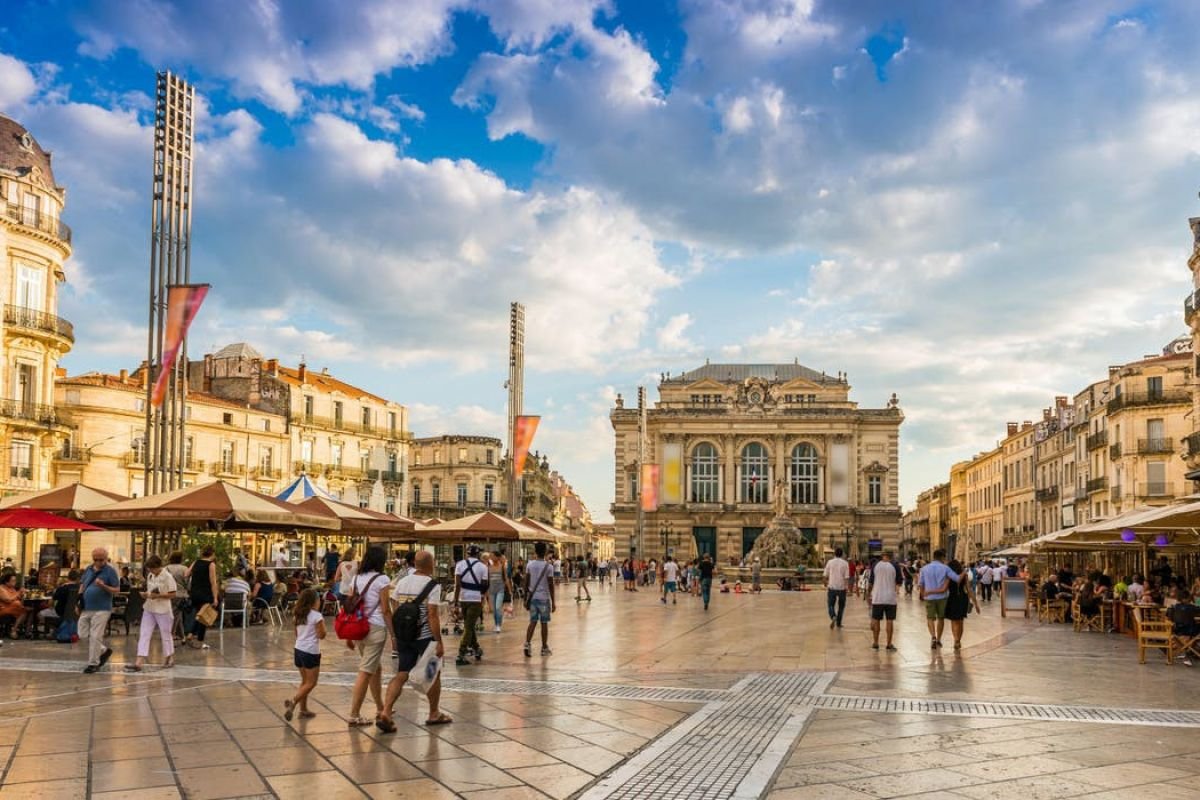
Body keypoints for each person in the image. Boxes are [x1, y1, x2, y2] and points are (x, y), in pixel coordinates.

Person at [377, 550, 451, 731]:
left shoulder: (402, 582)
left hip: (404, 636)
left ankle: (386, 711)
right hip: (425, 636)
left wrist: (396, 635)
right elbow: (433, 615)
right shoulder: (432, 585)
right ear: (430, 564)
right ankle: (434, 713)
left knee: (402, 673)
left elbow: (395, 609)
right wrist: (439, 641)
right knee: (433, 674)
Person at [346, 545, 391, 728]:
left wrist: (349, 634)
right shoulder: (382, 579)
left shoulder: (356, 579)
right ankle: (354, 714)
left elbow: (349, 607)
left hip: (358, 628)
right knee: (365, 671)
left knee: (375, 668)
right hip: (375, 627)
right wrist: (394, 635)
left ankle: (380, 706)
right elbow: (386, 609)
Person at [125, 555, 177, 671]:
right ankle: (139, 661)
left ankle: (169, 657)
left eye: (152, 568)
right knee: (144, 633)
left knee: (165, 634)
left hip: (163, 609)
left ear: (159, 567)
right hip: (149, 607)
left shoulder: (168, 577)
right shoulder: (150, 576)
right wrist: (146, 595)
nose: (151, 571)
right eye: (149, 569)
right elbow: (150, 591)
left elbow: (173, 594)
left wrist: (158, 596)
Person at [286, 588, 325, 721]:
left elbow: (296, 634)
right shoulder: (316, 616)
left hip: (298, 650)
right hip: (311, 652)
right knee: (311, 683)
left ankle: (303, 710)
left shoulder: (297, 615)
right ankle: (294, 701)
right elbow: (321, 635)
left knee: (304, 681)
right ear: (314, 601)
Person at [78, 548, 120, 672]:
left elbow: (117, 590)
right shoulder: (88, 569)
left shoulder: (110, 571)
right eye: (95, 559)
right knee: (82, 633)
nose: (98, 562)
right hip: (87, 607)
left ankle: (93, 663)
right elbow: (82, 585)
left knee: (96, 636)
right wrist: (78, 601)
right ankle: (103, 650)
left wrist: (103, 586)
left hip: (102, 608)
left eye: (101, 560)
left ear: (106, 559)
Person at [453, 545, 489, 666]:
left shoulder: (460, 564)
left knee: (469, 625)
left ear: (467, 554)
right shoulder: (483, 567)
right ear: (478, 554)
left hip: (463, 598)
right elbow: (484, 585)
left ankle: (476, 648)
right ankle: (461, 653)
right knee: (469, 627)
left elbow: (457, 585)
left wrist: (455, 601)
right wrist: (482, 596)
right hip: (476, 599)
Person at [918, 549, 959, 650]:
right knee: (941, 618)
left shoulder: (924, 569)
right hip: (942, 597)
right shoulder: (945, 568)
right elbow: (957, 578)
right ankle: (939, 639)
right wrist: (964, 573)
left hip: (929, 597)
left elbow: (921, 584)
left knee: (930, 618)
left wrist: (923, 594)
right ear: (942, 557)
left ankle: (933, 637)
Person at [523, 541, 556, 657]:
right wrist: (553, 601)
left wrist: (524, 598)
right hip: (544, 599)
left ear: (535, 552)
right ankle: (544, 647)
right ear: (545, 552)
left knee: (532, 621)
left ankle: (527, 643)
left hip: (533, 598)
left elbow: (526, 582)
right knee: (544, 623)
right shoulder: (549, 567)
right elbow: (551, 585)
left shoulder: (529, 565)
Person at [184, 546, 218, 650]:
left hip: (195, 593)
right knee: (204, 618)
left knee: (200, 615)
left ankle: (190, 635)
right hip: (205, 593)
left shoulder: (196, 562)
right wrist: (215, 597)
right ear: (212, 554)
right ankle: (199, 641)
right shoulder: (211, 564)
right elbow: (213, 582)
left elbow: (186, 574)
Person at [945, 559, 981, 651]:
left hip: (951, 599)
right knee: (960, 621)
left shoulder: (948, 575)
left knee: (953, 621)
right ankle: (958, 640)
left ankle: (955, 639)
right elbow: (969, 590)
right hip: (962, 598)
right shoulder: (964, 575)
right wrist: (976, 603)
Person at [869, 552, 900, 651]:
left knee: (876, 620)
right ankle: (889, 643)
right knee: (890, 621)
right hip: (890, 598)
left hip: (878, 597)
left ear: (882, 557)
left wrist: (868, 594)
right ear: (891, 558)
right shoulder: (895, 566)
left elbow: (871, 582)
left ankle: (875, 642)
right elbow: (898, 582)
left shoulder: (875, 565)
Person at [823, 548, 850, 629]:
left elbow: (825, 575)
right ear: (842, 554)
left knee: (830, 605)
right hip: (842, 588)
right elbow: (846, 577)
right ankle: (838, 623)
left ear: (834, 554)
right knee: (841, 607)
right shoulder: (845, 563)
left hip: (832, 587)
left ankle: (833, 616)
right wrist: (847, 588)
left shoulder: (830, 562)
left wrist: (825, 583)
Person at [488, 550, 511, 631]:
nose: (491, 557)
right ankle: (496, 624)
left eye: (492, 556)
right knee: (494, 610)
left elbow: (506, 579)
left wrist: (509, 590)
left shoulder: (502, 567)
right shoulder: (489, 567)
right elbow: (487, 580)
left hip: (500, 590)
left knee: (498, 607)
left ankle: (498, 625)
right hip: (491, 591)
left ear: (497, 557)